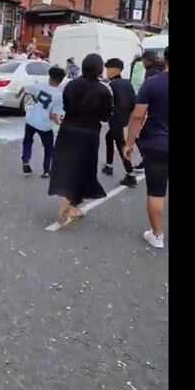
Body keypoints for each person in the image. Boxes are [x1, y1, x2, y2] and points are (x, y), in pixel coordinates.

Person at [48, 54, 113, 226]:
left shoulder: (71, 85)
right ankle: (70, 207)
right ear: (99, 68)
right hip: (89, 134)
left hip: (68, 130)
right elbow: (106, 116)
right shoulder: (103, 90)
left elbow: (66, 105)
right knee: (83, 169)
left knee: (67, 166)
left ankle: (69, 204)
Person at [125, 47, 169, 249]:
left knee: (157, 192)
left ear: (164, 60)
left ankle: (157, 235)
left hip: (157, 145)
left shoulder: (153, 84)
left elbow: (137, 116)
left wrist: (129, 143)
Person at [17, 66, 65, 178]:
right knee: (48, 147)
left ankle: (25, 162)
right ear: (61, 81)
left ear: (49, 77)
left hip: (31, 120)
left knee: (27, 141)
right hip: (44, 125)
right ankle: (46, 170)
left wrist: (18, 94)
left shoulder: (39, 86)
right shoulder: (59, 96)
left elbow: (24, 88)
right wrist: (59, 122)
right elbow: (53, 115)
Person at [102, 58, 138, 187]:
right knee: (108, 137)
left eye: (107, 68)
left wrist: (108, 117)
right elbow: (133, 102)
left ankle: (130, 175)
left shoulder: (111, 85)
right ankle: (109, 165)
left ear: (113, 70)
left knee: (121, 146)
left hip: (116, 119)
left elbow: (108, 104)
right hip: (124, 119)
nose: (106, 71)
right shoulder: (127, 83)